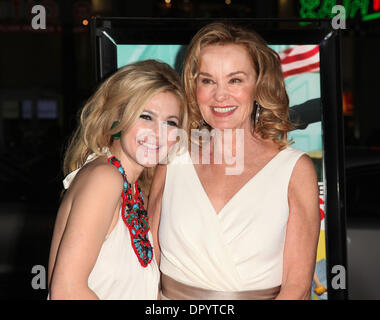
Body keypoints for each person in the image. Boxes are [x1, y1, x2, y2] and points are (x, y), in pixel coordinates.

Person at [148, 22, 320, 300]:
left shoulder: (293, 169)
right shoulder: (174, 155)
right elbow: (148, 262)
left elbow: (297, 287)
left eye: (235, 80)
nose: (220, 95)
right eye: (207, 80)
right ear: (194, 87)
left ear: (259, 84)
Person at [48, 59, 187, 300]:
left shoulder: (132, 188)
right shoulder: (104, 178)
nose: (158, 132)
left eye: (170, 123)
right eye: (146, 116)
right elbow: (67, 292)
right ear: (117, 118)